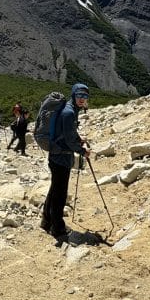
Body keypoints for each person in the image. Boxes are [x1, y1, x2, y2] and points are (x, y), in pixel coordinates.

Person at [41, 83, 91, 239]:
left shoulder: (69, 108)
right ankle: (58, 228)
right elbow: (69, 140)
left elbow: (68, 132)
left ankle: (46, 221)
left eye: (85, 96)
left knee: (54, 189)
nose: (82, 99)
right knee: (60, 194)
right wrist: (83, 151)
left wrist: (79, 138)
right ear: (74, 95)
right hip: (61, 157)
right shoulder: (69, 112)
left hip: (56, 155)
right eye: (79, 95)